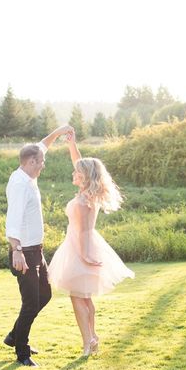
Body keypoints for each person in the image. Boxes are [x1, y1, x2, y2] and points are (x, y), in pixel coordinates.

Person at [48, 131, 134, 355]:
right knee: (83, 297)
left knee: (78, 297)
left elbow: (85, 231)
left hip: (81, 247)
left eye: (78, 172)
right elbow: (80, 162)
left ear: (85, 177)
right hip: (78, 246)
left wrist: (85, 256)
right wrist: (72, 144)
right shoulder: (87, 194)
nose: (73, 172)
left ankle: (88, 341)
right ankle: (92, 338)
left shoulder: (85, 200)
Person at [4, 124, 73, 367]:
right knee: (31, 303)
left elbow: (42, 145)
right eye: (41, 162)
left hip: (37, 249)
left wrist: (60, 131)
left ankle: (15, 336)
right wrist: (17, 251)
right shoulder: (20, 185)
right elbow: (13, 219)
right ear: (31, 162)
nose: (44, 164)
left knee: (45, 295)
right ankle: (21, 352)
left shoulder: (27, 172)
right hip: (24, 252)